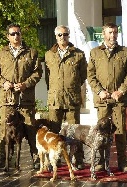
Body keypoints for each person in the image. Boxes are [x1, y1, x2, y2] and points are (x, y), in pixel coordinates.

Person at [0, 23, 42, 168]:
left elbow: (38, 73)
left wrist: (26, 84)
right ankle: (4, 157)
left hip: (26, 99)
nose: (16, 36)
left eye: (18, 33)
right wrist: (3, 83)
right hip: (7, 100)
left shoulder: (31, 52)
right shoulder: (1, 54)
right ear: (8, 36)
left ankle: (36, 158)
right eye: (13, 34)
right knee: (5, 130)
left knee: (31, 129)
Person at [87, 22, 127, 173]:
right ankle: (101, 161)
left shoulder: (125, 52)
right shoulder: (95, 52)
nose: (112, 35)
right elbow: (91, 75)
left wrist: (120, 91)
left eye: (115, 32)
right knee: (101, 132)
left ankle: (122, 161)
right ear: (103, 34)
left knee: (120, 131)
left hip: (119, 99)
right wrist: (99, 91)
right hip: (102, 100)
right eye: (109, 32)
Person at [44, 25, 87, 169]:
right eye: (60, 35)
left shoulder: (78, 54)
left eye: (65, 34)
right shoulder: (49, 55)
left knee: (75, 131)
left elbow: (83, 76)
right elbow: (48, 77)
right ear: (56, 37)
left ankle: (78, 159)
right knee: (53, 131)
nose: (63, 37)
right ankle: (54, 159)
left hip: (71, 98)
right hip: (55, 99)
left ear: (69, 35)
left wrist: (71, 87)